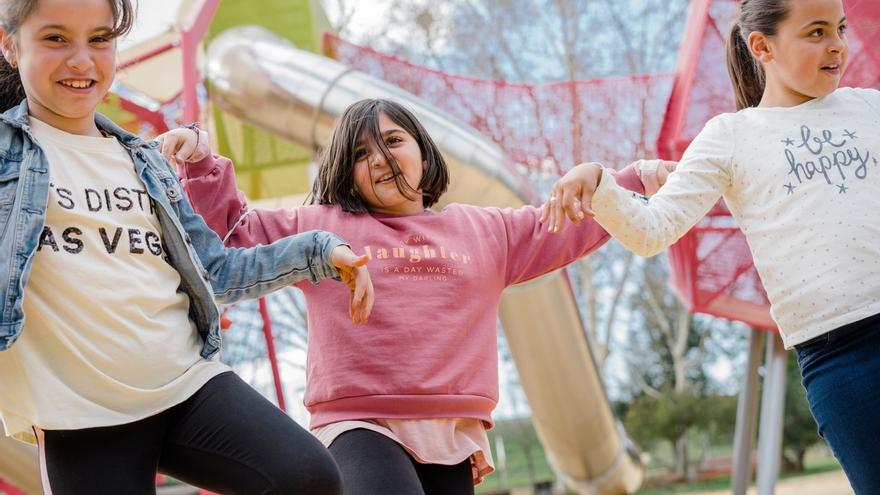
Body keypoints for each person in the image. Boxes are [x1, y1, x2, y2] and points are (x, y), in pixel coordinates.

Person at [170, 97, 673, 495]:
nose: (380, 158)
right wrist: (200, 161)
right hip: (359, 423)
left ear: (425, 153)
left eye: (393, 140)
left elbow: (565, 224)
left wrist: (628, 179)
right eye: (361, 153)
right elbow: (231, 234)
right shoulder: (321, 226)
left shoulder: (485, 231)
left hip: (451, 430)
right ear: (346, 171)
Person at [0, 0, 374, 493]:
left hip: (186, 385)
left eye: (100, 38)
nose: (81, 60)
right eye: (55, 38)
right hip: (82, 414)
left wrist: (320, 252)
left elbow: (216, 270)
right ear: (10, 45)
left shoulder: (144, 162)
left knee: (307, 477)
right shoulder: (7, 155)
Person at [541, 0, 880, 492]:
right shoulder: (730, 138)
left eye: (841, 29)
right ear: (762, 46)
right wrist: (598, 183)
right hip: (839, 360)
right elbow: (652, 229)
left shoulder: (869, 108)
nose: (837, 46)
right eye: (816, 32)